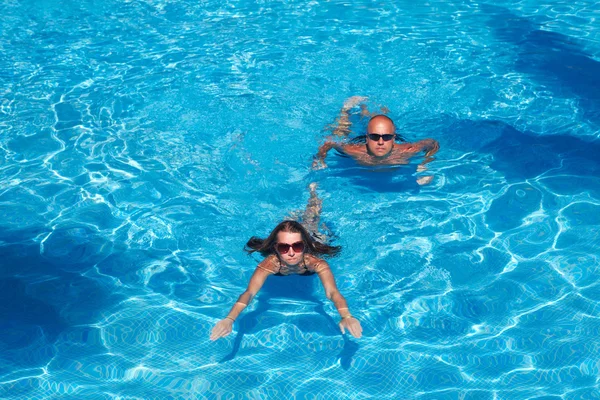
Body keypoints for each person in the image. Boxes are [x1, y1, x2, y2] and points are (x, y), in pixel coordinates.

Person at [210, 184, 363, 341]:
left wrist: (346, 315)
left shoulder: (316, 263)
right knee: (298, 222)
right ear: (275, 247)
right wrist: (230, 319)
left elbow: (332, 293)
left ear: (304, 246)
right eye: (284, 247)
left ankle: (313, 190)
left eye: (297, 246)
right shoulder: (270, 264)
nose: (291, 252)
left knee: (313, 220)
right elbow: (249, 293)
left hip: (314, 238)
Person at [313, 97, 440, 185]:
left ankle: (372, 110)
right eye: (374, 137)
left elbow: (432, 143)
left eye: (386, 137)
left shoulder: (406, 151)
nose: (380, 142)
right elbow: (329, 141)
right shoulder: (355, 151)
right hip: (358, 140)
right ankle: (346, 110)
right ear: (367, 138)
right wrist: (320, 160)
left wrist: (426, 164)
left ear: (393, 138)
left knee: (380, 123)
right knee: (340, 132)